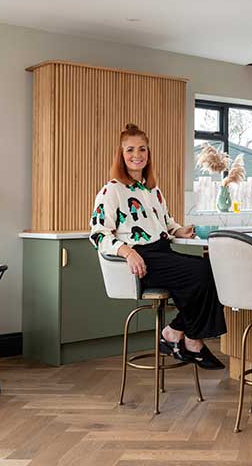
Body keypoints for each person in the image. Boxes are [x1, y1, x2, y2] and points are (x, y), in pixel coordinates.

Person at [89, 123, 226, 369]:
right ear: (121, 154)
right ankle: (191, 341)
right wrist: (127, 251)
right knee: (201, 272)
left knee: (212, 268)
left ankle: (175, 332)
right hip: (142, 261)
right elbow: (97, 234)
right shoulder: (112, 190)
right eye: (130, 150)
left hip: (163, 253)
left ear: (148, 153)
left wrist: (179, 230)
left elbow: (166, 223)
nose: (137, 155)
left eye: (142, 149)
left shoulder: (152, 190)